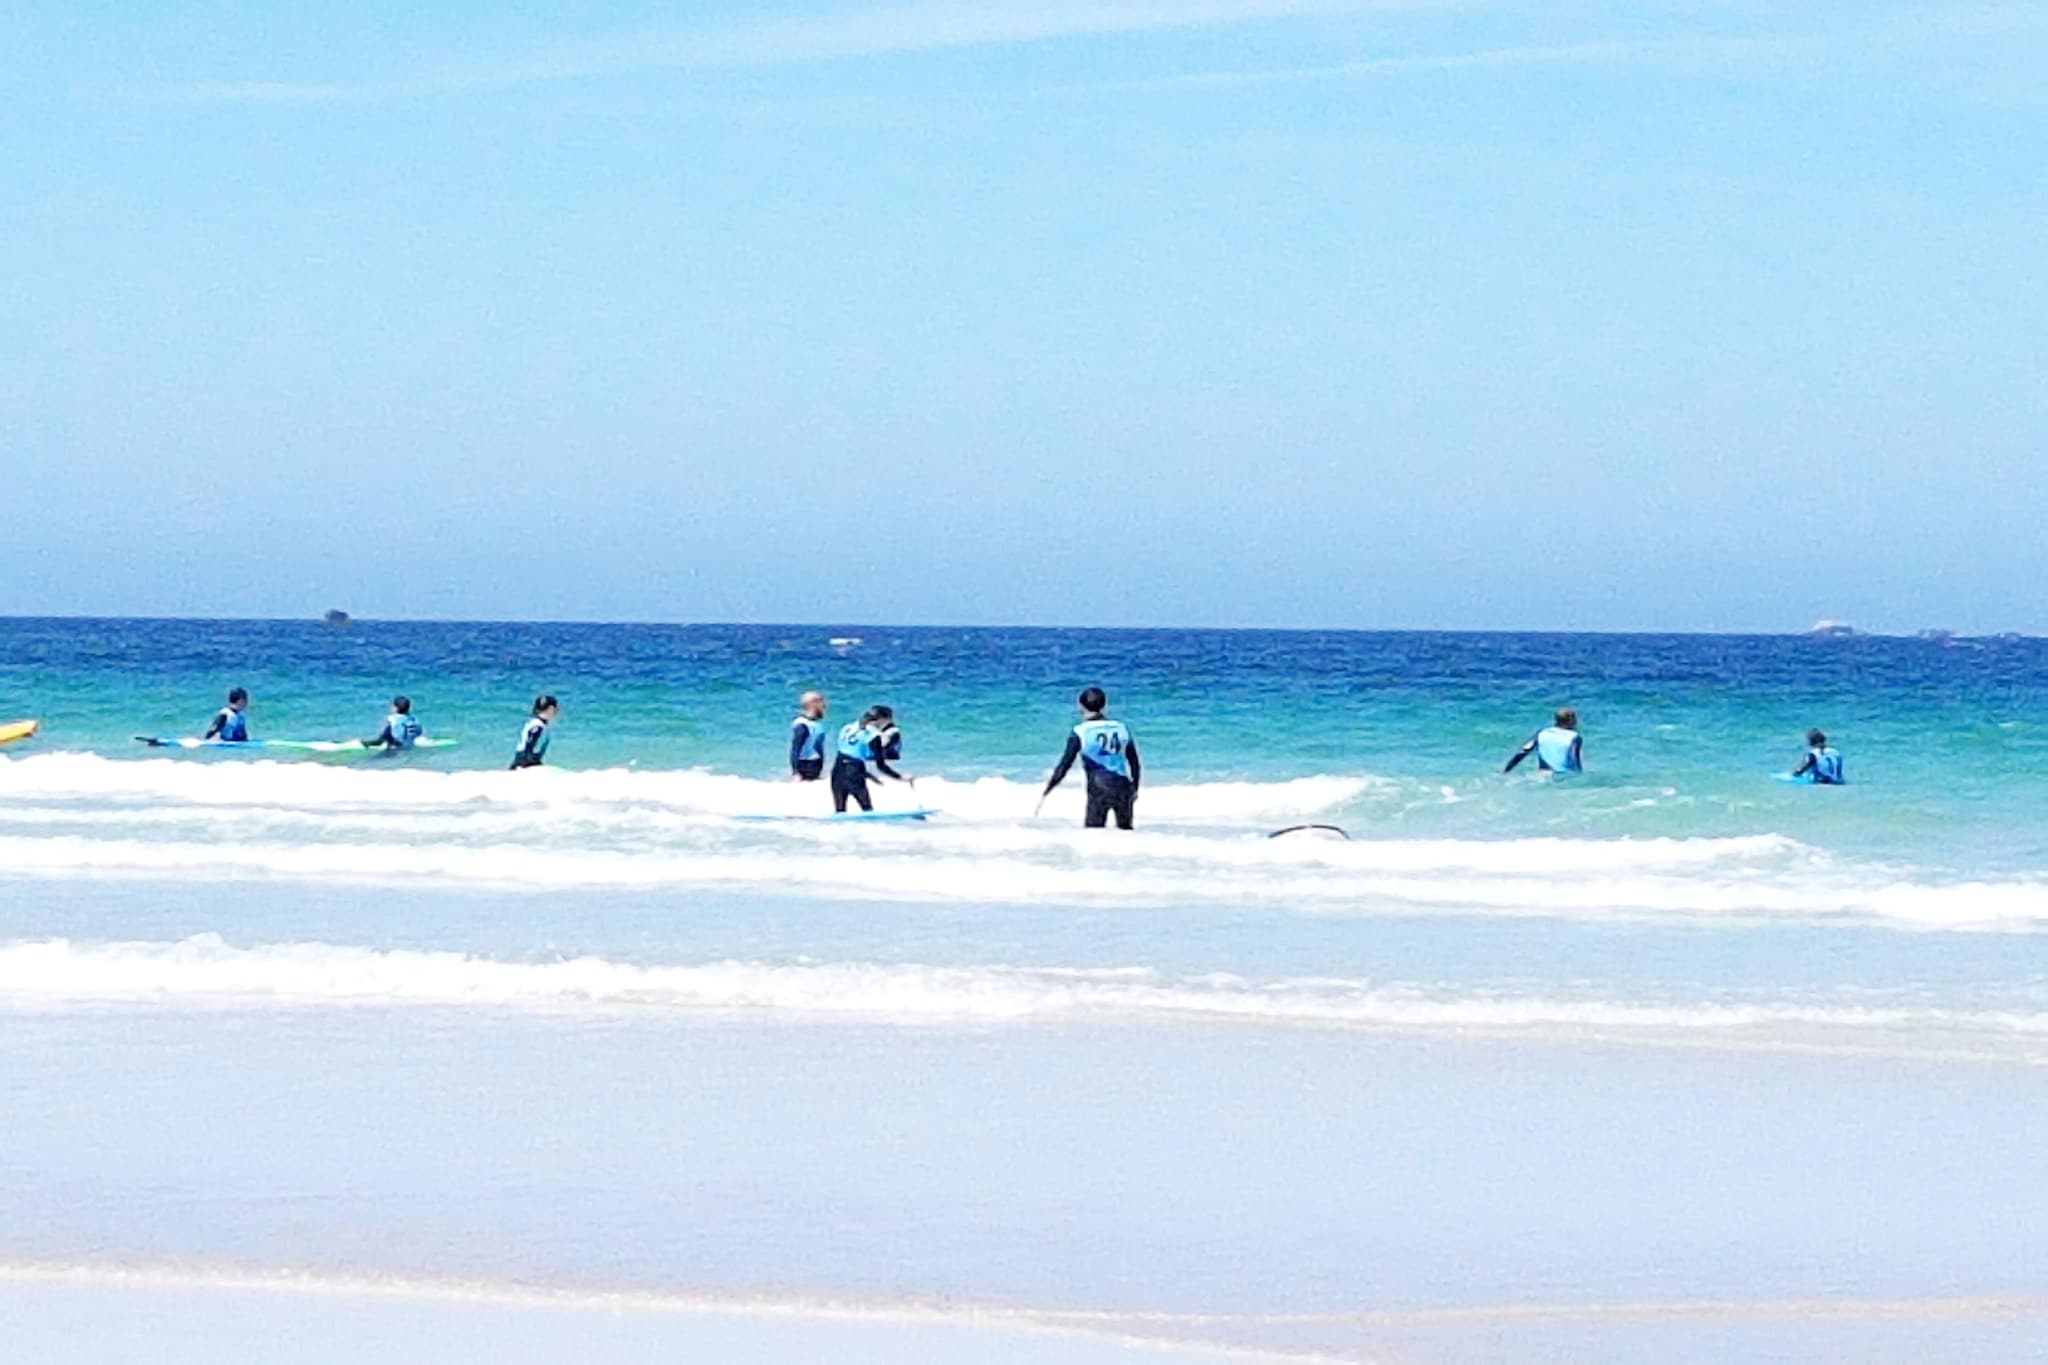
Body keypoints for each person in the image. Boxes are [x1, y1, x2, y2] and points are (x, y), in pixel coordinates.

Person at [1035, 687, 1142, 830]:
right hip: (1123, 787)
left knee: (1094, 835)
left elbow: (1065, 765)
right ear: (1104, 706)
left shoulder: (1080, 732)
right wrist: (1134, 788)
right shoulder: (1121, 728)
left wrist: (1050, 787)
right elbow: (1134, 763)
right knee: (1126, 833)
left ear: (1081, 706)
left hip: (1099, 788)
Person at [831, 705, 910, 812]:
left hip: (836, 771)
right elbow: (881, 766)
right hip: (854, 773)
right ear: (883, 719)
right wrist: (900, 777)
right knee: (867, 809)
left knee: (840, 812)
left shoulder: (847, 727)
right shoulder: (874, 736)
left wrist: (869, 776)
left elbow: (847, 754)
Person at [1505, 707, 1583, 774]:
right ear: (1571, 721)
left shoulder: (1542, 733)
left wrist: (1507, 770)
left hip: (1543, 774)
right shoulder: (1574, 737)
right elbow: (1575, 760)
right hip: (1564, 776)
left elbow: (1523, 751)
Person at [789, 691, 829, 782]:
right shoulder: (802, 725)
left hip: (815, 765)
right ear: (813, 704)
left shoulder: (816, 724)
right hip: (805, 765)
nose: (824, 706)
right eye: (821, 702)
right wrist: (795, 772)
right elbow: (795, 749)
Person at [511, 695, 558, 770]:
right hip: (524, 763)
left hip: (523, 760)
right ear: (551, 709)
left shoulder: (535, 723)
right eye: (555, 709)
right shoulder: (538, 725)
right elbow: (530, 745)